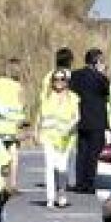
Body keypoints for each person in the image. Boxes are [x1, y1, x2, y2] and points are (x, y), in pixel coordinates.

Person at [37, 68, 81, 209]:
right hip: (48, 136)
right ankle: (50, 198)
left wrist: (69, 127)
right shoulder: (46, 97)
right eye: (56, 79)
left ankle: (61, 191)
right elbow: (40, 116)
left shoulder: (74, 97)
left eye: (62, 79)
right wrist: (36, 131)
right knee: (49, 166)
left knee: (61, 168)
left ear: (67, 81)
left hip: (66, 138)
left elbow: (77, 116)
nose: (59, 82)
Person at [71, 48, 111, 194]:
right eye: (101, 61)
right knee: (93, 154)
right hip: (97, 120)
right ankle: (89, 183)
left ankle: (80, 182)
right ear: (96, 62)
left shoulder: (75, 75)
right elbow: (106, 91)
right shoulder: (100, 78)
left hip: (81, 118)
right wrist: (101, 73)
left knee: (82, 152)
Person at [0, 58, 27, 190]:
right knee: (13, 154)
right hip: (12, 125)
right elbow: (22, 106)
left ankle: (1, 183)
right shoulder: (18, 87)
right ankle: (13, 183)